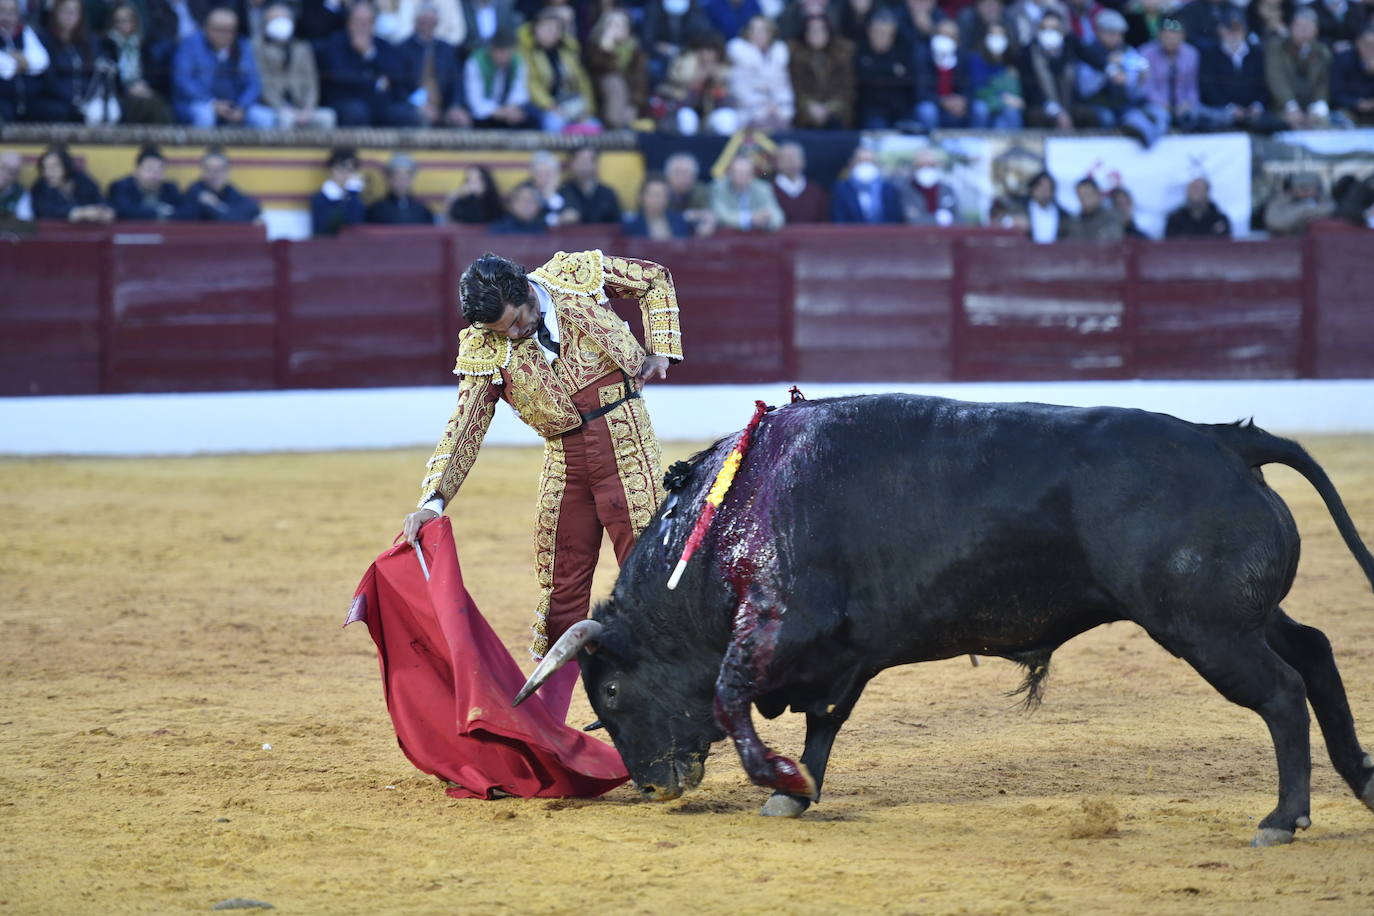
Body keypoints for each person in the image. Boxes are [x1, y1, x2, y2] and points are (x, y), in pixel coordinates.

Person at [400, 249, 684, 701]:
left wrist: (663, 350)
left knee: (647, 570)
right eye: (501, 331)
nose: (513, 335)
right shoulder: (484, 344)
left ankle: (669, 698)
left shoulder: (575, 274)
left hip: (626, 442)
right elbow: (465, 423)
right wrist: (432, 501)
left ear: (527, 290)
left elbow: (654, 279)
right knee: (560, 586)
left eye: (515, 322)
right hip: (564, 457)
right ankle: (549, 723)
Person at [317, 2, 419, 127]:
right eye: (359, 21)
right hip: (347, 101)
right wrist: (376, 83)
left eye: (368, 21)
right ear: (349, 23)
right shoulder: (335, 44)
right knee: (356, 112)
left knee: (405, 114)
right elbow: (342, 77)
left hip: (380, 103)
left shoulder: (383, 46)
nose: (363, 26)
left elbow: (395, 75)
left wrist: (369, 54)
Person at [172, 7, 275, 127]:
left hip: (235, 104)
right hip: (200, 103)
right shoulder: (189, 45)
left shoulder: (243, 46)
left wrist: (242, 106)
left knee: (265, 117)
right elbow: (182, 80)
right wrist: (212, 103)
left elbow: (253, 83)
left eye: (229, 30)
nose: (224, 35)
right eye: (219, 30)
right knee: (205, 115)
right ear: (206, 28)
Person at [1077, 9, 1166, 144]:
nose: (1117, 38)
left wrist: (1139, 77)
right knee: (1108, 118)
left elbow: (1136, 85)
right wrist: (1106, 69)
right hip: (1097, 103)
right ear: (1100, 32)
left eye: (1120, 34)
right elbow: (1084, 89)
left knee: (1159, 114)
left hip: (1125, 104)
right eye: (1112, 34)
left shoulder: (1127, 51)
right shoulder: (1088, 51)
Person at [1197, 6, 1280, 132]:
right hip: (1222, 112)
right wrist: (1230, 108)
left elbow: (1265, 84)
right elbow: (1209, 89)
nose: (1233, 34)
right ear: (1221, 30)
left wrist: (1256, 105)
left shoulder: (1257, 54)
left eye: (1237, 29)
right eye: (1229, 29)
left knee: (1272, 123)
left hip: (1255, 113)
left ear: (1244, 30)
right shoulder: (1210, 55)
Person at [254, 3, 335, 128]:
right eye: (275, 20)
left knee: (328, 116)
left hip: (301, 107)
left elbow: (312, 83)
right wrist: (282, 108)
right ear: (266, 23)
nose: (280, 24)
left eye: (284, 19)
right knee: (286, 120)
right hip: (274, 107)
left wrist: (308, 109)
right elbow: (263, 85)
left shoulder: (302, 47)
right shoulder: (258, 48)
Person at [521, 7, 597, 131]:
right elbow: (531, 84)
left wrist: (587, 109)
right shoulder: (527, 52)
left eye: (554, 29)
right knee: (554, 124)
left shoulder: (568, 52)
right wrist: (551, 106)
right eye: (545, 28)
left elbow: (582, 82)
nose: (550, 32)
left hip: (570, 104)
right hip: (543, 106)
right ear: (535, 29)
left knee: (594, 126)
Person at [101, 1, 172, 123]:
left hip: (141, 89)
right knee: (149, 106)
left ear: (134, 22)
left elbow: (150, 72)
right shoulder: (107, 45)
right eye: (118, 21)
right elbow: (106, 75)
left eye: (126, 20)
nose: (122, 24)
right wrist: (128, 88)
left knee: (159, 102)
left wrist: (144, 86)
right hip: (119, 93)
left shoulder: (142, 45)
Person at [31, 0, 101, 123]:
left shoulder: (89, 41)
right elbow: (48, 80)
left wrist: (86, 99)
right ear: (56, 13)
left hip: (85, 101)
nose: (70, 15)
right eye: (66, 11)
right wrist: (74, 100)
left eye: (75, 11)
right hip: (55, 100)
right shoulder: (43, 39)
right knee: (62, 112)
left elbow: (94, 76)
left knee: (108, 111)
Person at [400, 3, 469, 127]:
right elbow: (399, 85)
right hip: (414, 106)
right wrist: (419, 104)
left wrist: (456, 106)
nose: (427, 25)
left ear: (437, 23)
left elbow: (457, 81)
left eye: (431, 21)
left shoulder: (447, 50)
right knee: (421, 118)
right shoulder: (403, 49)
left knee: (461, 120)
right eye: (424, 21)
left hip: (444, 105)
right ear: (416, 22)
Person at [655, 28, 736, 134]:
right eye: (703, 50)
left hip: (711, 116)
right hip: (684, 113)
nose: (706, 55)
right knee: (687, 118)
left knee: (727, 119)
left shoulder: (724, 71)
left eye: (711, 51)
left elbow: (729, 102)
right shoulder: (683, 66)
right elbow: (680, 99)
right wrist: (697, 79)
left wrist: (717, 84)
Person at [1266, 8, 1335, 128]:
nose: (1303, 30)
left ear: (1316, 30)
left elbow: (1324, 83)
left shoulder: (1323, 52)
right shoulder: (1277, 49)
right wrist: (1291, 106)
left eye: (1308, 26)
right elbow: (1276, 79)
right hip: (1283, 105)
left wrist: (1317, 107)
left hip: (1311, 105)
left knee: (1322, 122)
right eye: (1299, 26)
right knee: (1288, 123)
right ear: (1291, 27)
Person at [916, 18, 987, 130]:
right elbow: (920, 91)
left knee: (980, 108)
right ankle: (932, 145)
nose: (946, 40)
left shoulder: (963, 57)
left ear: (957, 40)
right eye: (943, 35)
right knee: (927, 111)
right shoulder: (924, 56)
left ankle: (974, 143)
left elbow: (971, 87)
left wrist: (962, 101)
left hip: (959, 105)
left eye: (951, 36)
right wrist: (943, 101)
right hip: (936, 104)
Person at [726, 14, 793, 130]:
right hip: (749, 112)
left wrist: (778, 107)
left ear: (771, 33)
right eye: (754, 30)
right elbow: (739, 90)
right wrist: (764, 107)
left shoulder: (778, 56)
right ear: (748, 33)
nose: (759, 34)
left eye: (763, 30)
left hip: (778, 111)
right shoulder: (740, 56)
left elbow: (784, 87)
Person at [585, 6, 648, 130]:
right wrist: (607, 49)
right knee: (614, 82)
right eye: (613, 24)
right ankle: (613, 127)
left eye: (623, 24)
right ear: (604, 27)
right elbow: (603, 70)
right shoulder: (594, 47)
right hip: (598, 98)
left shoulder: (635, 50)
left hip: (627, 101)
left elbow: (640, 81)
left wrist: (633, 105)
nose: (619, 28)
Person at [788, 13, 854, 129]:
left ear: (828, 32)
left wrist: (829, 108)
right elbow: (795, 88)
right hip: (805, 112)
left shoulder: (842, 55)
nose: (816, 34)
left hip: (836, 112)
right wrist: (810, 106)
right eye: (811, 30)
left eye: (820, 30)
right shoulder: (795, 56)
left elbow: (847, 88)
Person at [464, 28, 536, 128]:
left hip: (510, 110)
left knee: (533, 116)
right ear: (491, 49)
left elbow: (520, 92)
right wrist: (499, 112)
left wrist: (510, 108)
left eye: (508, 50)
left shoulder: (518, 61)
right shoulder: (475, 62)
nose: (504, 55)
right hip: (486, 114)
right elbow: (475, 101)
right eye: (500, 50)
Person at [1020, 11, 1080, 128]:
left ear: (1062, 32)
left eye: (1054, 29)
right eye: (1045, 29)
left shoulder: (1069, 47)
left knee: (1088, 115)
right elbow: (1029, 88)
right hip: (1042, 105)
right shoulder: (1028, 52)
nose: (1050, 33)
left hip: (1069, 104)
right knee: (1036, 116)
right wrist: (1056, 111)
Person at [854, 10, 913, 129]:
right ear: (870, 32)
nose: (882, 37)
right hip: (871, 110)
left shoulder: (902, 52)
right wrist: (892, 70)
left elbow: (909, 82)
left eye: (886, 34)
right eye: (878, 32)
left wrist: (876, 70)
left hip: (899, 109)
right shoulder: (860, 51)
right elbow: (864, 78)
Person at [1140, 17, 1201, 132]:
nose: (1171, 40)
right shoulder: (1146, 53)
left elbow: (1192, 86)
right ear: (1159, 35)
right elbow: (1146, 86)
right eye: (1167, 36)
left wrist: (1187, 103)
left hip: (1183, 105)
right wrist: (1163, 104)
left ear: (1183, 36)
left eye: (1175, 35)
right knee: (1160, 117)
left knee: (1199, 115)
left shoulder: (1192, 54)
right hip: (1155, 104)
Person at [177, 146, 262, 222]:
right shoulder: (194, 191)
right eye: (209, 169)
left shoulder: (230, 191)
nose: (214, 174)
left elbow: (253, 208)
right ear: (202, 171)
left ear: (227, 172)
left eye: (219, 170)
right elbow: (180, 215)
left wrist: (217, 206)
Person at [30, 144, 113, 221]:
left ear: (66, 166)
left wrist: (104, 211)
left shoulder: (83, 181)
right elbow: (43, 211)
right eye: (45, 168)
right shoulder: (39, 188)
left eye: (54, 167)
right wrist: (78, 213)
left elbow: (99, 199)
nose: (48, 173)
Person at [0, 0, 49, 124]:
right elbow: (6, 70)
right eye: (2, 11)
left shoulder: (24, 32)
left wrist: (21, 61)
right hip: (3, 100)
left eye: (12, 12)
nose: (7, 17)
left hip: (28, 99)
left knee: (56, 110)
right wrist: (21, 62)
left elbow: (42, 61)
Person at [641, 0, 712, 85]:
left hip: (687, 52)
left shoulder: (694, 8)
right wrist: (657, 46)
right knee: (654, 67)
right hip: (659, 55)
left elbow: (700, 35)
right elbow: (647, 37)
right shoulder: (654, 7)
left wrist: (684, 50)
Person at [709, 152, 785, 231]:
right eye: (737, 172)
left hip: (757, 239)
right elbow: (720, 215)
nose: (741, 176)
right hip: (728, 238)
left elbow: (778, 216)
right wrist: (750, 219)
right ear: (729, 173)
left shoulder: (763, 188)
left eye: (746, 173)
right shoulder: (719, 188)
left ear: (752, 175)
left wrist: (767, 221)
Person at [969, 21, 1024, 128]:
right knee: (980, 109)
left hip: (1003, 105)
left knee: (1010, 115)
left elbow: (1015, 92)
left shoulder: (1010, 61)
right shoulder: (976, 59)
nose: (997, 38)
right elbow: (979, 89)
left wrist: (1015, 99)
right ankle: (976, 141)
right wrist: (1003, 97)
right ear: (985, 37)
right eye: (993, 34)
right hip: (985, 101)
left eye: (1000, 35)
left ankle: (1014, 143)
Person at [108, 144, 180, 220]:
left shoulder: (170, 189)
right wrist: (159, 213)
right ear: (137, 171)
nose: (155, 176)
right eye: (150, 170)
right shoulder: (121, 187)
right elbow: (125, 211)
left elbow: (183, 212)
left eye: (160, 171)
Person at [831, 146, 902, 224]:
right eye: (861, 161)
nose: (865, 165)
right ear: (851, 163)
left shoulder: (888, 189)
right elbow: (839, 220)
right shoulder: (841, 189)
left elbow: (895, 220)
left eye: (869, 161)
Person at [558, 146, 622, 225]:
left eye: (587, 160)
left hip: (602, 236)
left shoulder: (608, 194)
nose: (583, 165)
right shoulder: (563, 191)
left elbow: (617, 226)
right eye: (579, 160)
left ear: (596, 164)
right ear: (572, 164)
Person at [311, 146, 365, 237]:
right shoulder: (320, 199)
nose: (345, 174)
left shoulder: (356, 198)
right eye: (341, 169)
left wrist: (353, 194)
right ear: (331, 170)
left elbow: (356, 227)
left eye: (350, 170)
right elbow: (326, 229)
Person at [366, 153, 434, 224]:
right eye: (397, 176)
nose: (401, 181)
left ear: (412, 179)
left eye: (406, 177)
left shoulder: (423, 211)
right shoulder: (376, 210)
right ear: (389, 179)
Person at [771, 140, 829, 224]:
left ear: (803, 161)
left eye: (795, 158)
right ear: (777, 163)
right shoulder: (768, 190)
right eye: (786, 158)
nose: (791, 162)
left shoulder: (816, 192)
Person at [899, 148, 958, 226]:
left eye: (931, 165)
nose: (926, 168)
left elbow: (958, 218)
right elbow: (912, 220)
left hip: (944, 237)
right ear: (915, 167)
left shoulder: (947, 190)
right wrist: (938, 219)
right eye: (921, 165)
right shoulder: (906, 190)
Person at [1263, 172, 1335, 235]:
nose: (1306, 191)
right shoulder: (1280, 202)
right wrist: (1304, 209)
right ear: (1292, 188)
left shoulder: (1325, 202)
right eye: (1301, 187)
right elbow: (1276, 223)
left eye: (1310, 187)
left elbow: (1329, 209)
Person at [622, 173, 692, 238]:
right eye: (654, 195)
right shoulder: (631, 226)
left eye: (663, 195)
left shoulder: (680, 222)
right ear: (641, 197)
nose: (658, 199)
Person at [664, 150, 716, 236]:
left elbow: (708, 213)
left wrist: (708, 222)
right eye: (678, 173)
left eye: (688, 173)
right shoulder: (660, 191)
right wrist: (688, 216)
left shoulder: (700, 191)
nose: (683, 178)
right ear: (668, 175)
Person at [1164, 176, 1232, 238]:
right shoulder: (1175, 220)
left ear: (1207, 192)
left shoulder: (1219, 220)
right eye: (1192, 188)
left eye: (1198, 189)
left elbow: (1225, 246)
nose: (1195, 192)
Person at [1334, 25, 1374, 126]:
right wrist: (1356, 103)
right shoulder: (1343, 60)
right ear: (1358, 43)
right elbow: (1336, 92)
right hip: (1349, 109)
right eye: (1367, 45)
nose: (1371, 49)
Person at [1066, 177, 1124, 241]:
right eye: (1081, 195)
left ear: (1097, 193)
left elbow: (1111, 239)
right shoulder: (1074, 222)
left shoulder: (1112, 216)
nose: (1085, 198)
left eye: (1088, 194)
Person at [1024, 170, 1068, 243]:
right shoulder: (1020, 209)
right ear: (1032, 189)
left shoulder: (1063, 215)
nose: (1044, 191)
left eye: (1048, 188)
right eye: (1040, 187)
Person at [0, 150, 34, 220]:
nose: (5, 174)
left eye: (12, 172)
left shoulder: (21, 193)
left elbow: (24, 221)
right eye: (3, 167)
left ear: (16, 176)